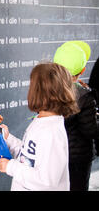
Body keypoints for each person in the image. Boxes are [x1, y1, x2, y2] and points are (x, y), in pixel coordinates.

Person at [0, 63, 79, 190]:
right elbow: (28, 158)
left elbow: (47, 181)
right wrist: (6, 138)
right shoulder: (41, 121)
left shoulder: (51, 132)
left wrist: (11, 167)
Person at [53, 41, 99, 191]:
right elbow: (90, 130)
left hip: (54, 153)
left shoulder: (49, 89)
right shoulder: (85, 96)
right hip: (78, 158)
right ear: (83, 70)